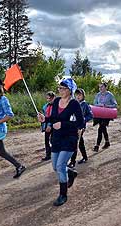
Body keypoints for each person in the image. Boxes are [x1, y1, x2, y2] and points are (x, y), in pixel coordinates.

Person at [38, 78, 84, 206]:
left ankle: (63, 195)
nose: (60, 90)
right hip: (56, 138)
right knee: (55, 166)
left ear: (70, 90)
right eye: (59, 88)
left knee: (59, 166)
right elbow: (53, 118)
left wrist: (63, 124)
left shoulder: (74, 103)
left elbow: (80, 122)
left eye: (63, 88)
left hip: (69, 139)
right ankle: (70, 172)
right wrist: (45, 119)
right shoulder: (57, 101)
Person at [68, 88, 93, 168]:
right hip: (73, 126)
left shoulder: (85, 105)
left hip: (80, 127)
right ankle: (85, 157)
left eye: (80, 95)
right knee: (80, 143)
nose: (78, 96)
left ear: (83, 95)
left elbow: (90, 115)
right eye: (77, 94)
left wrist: (84, 119)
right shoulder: (74, 103)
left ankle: (72, 161)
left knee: (75, 143)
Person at [92, 82, 117, 152]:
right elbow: (94, 103)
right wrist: (99, 105)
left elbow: (115, 105)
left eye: (102, 87)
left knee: (101, 128)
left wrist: (107, 106)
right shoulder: (98, 95)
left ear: (106, 87)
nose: (100, 88)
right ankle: (107, 142)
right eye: (99, 87)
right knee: (103, 128)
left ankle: (97, 145)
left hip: (107, 114)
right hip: (99, 113)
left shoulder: (110, 95)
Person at [41, 91, 56, 161]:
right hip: (46, 124)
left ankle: (55, 153)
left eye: (50, 98)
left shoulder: (56, 106)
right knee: (46, 140)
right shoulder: (45, 106)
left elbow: (54, 117)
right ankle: (48, 155)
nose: (49, 100)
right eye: (47, 98)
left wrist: (50, 125)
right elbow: (44, 115)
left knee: (53, 140)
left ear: (54, 98)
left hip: (54, 125)